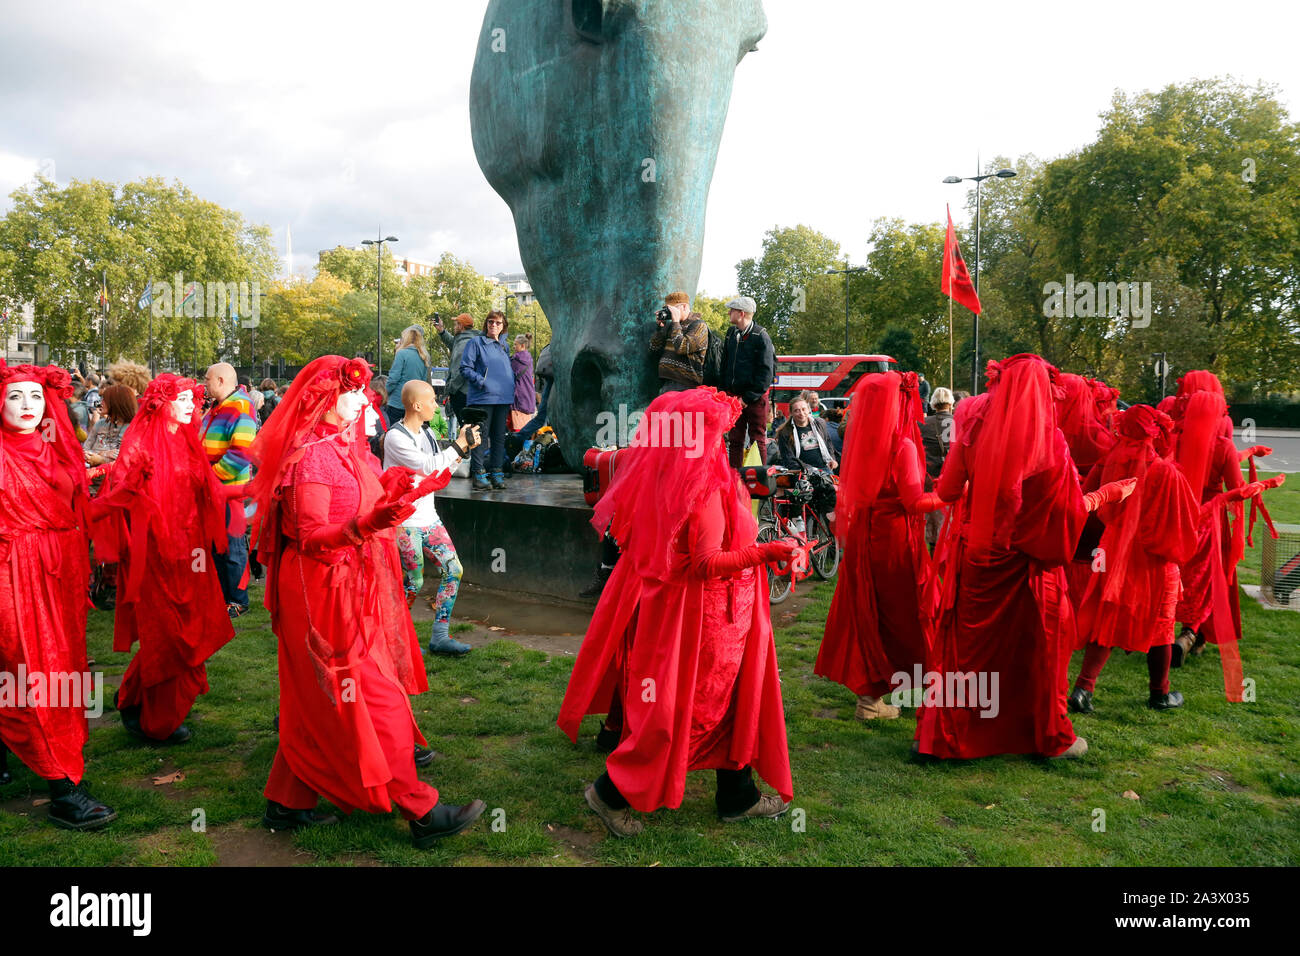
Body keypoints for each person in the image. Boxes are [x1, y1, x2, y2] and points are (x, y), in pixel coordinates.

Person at [248, 355, 486, 845]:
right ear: (323, 400)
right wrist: (369, 524)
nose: (363, 401)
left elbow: (375, 499)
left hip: (343, 585)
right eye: (352, 393)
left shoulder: (346, 448)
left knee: (315, 696)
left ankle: (286, 802)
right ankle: (420, 809)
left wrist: (400, 492)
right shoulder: (312, 454)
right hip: (321, 591)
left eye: (363, 394)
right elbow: (312, 536)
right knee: (372, 697)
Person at [558, 387, 796, 837]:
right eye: (716, 430)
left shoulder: (668, 476)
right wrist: (767, 551)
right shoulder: (701, 487)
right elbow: (706, 564)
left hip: (703, 614)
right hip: (703, 619)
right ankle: (610, 793)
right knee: (689, 711)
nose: (723, 437)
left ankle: (737, 793)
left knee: (720, 706)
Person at [914, 354, 1135, 761]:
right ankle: (1047, 735)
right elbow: (1069, 510)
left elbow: (947, 492)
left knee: (968, 652)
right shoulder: (1050, 442)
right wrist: (1108, 494)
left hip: (978, 558)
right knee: (1040, 651)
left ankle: (947, 734)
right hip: (1030, 565)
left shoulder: (974, 430)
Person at [0, 361, 117, 829]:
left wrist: (122, 489)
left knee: (59, 668)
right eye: (15, 396)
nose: (28, 406)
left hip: (61, 574)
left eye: (34, 396)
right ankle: (63, 787)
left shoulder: (58, 449)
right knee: (32, 671)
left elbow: (77, 509)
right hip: (12, 575)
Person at [95, 374, 236, 743]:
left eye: (195, 399)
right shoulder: (140, 441)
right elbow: (123, 495)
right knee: (167, 635)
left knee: (193, 628)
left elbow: (206, 489)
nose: (194, 405)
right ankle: (149, 713)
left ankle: (135, 700)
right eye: (185, 399)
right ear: (162, 402)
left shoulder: (189, 440)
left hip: (192, 553)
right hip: (157, 554)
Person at [817, 372, 943, 720]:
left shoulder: (862, 439)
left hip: (864, 539)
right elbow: (914, 501)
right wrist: (948, 494)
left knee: (870, 613)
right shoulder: (901, 445)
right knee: (912, 612)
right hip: (895, 540)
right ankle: (933, 694)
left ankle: (869, 700)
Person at [1068, 405, 1201, 714]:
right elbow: (1183, 520)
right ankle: (1160, 693)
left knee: (1107, 618)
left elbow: (1086, 500)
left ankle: (1083, 689)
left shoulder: (1109, 461)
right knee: (1161, 624)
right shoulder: (1165, 471)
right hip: (1152, 557)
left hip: (1112, 550)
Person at [1169, 381, 1282, 689]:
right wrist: (1264, 484)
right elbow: (1236, 489)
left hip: (1179, 514)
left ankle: (1173, 634)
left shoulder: (1175, 439)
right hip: (1211, 518)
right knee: (1209, 581)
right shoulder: (1222, 446)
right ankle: (1189, 634)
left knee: (1178, 576)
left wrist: (1247, 452)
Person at [384, 379, 482, 656]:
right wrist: (459, 444)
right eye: (431, 401)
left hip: (429, 518)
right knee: (413, 582)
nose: (436, 406)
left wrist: (463, 450)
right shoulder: (395, 437)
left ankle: (439, 636)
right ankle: (392, 640)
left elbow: (440, 470)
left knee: (454, 570)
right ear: (416, 405)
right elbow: (427, 467)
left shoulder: (426, 433)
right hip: (405, 523)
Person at [201, 362, 258, 618]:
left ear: (222, 381)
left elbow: (241, 454)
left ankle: (238, 600)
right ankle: (223, 596)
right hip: (213, 490)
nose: (205, 382)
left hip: (229, 492)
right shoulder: (217, 407)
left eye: (208, 379)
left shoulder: (240, 407)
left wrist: (209, 477)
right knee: (216, 546)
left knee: (232, 547)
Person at [459, 310, 514, 491]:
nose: (493, 325)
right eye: (490, 322)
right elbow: (465, 368)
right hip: (483, 397)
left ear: (503, 326)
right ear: (486, 324)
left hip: (503, 398)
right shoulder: (476, 342)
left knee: (499, 437)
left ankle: (496, 472)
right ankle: (478, 473)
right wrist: (481, 381)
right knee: (479, 437)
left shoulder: (504, 346)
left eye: (498, 323)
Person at [719, 296, 775, 468]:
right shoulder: (731, 333)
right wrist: (724, 392)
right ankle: (735, 479)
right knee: (735, 439)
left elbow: (766, 374)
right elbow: (724, 365)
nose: (729, 312)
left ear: (741, 313)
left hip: (755, 398)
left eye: (732, 310)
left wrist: (747, 398)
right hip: (734, 397)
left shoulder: (761, 336)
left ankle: (758, 482)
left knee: (757, 439)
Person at [649, 291, 709, 393]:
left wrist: (676, 323)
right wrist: (659, 328)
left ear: (685, 307)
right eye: (667, 309)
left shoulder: (699, 325)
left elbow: (682, 347)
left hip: (686, 385)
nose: (670, 313)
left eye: (673, 309)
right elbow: (653, 348)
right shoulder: (671, 326)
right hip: (667, 383)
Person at [918, 386, 955, 548]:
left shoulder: (923, 424)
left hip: (929, 476)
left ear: (933, 404)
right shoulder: (958, 422)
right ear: (951, 403)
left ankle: (933, 545)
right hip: (952, 475)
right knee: (950, 513)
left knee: (932, 513)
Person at [774, 390, 838, 473]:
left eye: (803, 409)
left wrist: (832, 459)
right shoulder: (784, 432)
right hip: (802, 472)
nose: (801, 413)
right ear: (791, 413)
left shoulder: (820, 423)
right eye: (797, 410)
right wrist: (810, 470)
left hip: (824, 468)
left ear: (808, 410)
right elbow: (788, 459)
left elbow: (828, 442)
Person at [385, 326, 432, 427]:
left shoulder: (401, 354)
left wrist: (384, 393)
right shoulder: (424, 357)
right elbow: (424, 382)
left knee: (392, 433)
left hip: (397, 402)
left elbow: (393, 379)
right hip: (413, 403)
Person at [444, 313, 482, 433]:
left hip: (461, 392)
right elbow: (453, 343)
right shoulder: (468, 339)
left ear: (461, 326)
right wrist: (442, 331)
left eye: (456, 324)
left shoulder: (463, 344)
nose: (454, 327)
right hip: (470, 392)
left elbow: (459, 369)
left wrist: (451, 388)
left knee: (466, 429)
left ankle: (468, 451)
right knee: (471, 428)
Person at [518, 342, 554, 441]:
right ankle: (517, 440)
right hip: (555, 379)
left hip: (551, 379)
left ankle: (517, 440)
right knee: (542, 418)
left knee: (541, 418)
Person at [510, 333, 537, 432]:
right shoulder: (528, 359)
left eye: (515, 344)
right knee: (524, 431)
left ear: (522, 346)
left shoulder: (516, 360)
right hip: (527, 398)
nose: (513, 346)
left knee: (517, 432)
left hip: (518, 400)